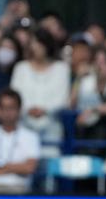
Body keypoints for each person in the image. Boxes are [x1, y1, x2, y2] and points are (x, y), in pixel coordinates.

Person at [10, 28, 70, 157]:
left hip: (51, 127)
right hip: (25, 124)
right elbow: (15, 96)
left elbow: (62, 99)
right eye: (33, 43)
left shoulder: (61, 69)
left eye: (39, 43)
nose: (36, 47)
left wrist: (45, 110)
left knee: (49, 169)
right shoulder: (21, 68)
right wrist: (28, 110)